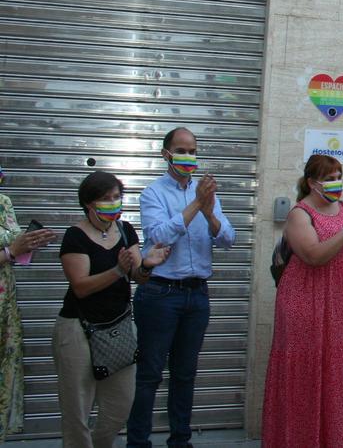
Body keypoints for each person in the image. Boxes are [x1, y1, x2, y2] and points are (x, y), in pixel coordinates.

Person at [260, 154, 343, 447]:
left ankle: (335, 438)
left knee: (338, 368)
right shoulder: (300, 213)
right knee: (307, 371)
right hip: (307, 301)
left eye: (338, 176)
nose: (336, 183)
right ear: (311, 182)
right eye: (329, 178)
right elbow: (313, 256)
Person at [126, 127, 236, 448]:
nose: (188, 156)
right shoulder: (153, 193)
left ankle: (180, 440)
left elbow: (228, 238)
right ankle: (138, 442)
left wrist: (208, 210)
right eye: (181, 150)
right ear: (166, 154)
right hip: (160, 294)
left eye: (193, 150)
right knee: (149, 374)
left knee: (185, 374)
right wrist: (195, 206)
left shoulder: (207, 194)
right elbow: (159, 236)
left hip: (196, 294)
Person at [56, 171, 169, 448]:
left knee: (120, 405)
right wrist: (118, 269)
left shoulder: (125, 230)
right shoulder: (75, 237)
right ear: (88, 203)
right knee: (77, 411)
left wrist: (146, 266)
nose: (113, 203)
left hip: (118, 326)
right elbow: (81, 286)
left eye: (117, 197)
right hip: (77, 330)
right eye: (105, 199)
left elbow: (136, 277)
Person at [1, 163, 56, 440]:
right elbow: (9, 249)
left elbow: (13, 242)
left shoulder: (3, 202)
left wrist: (27, 244)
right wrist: (10, 252)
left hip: (4, 304)